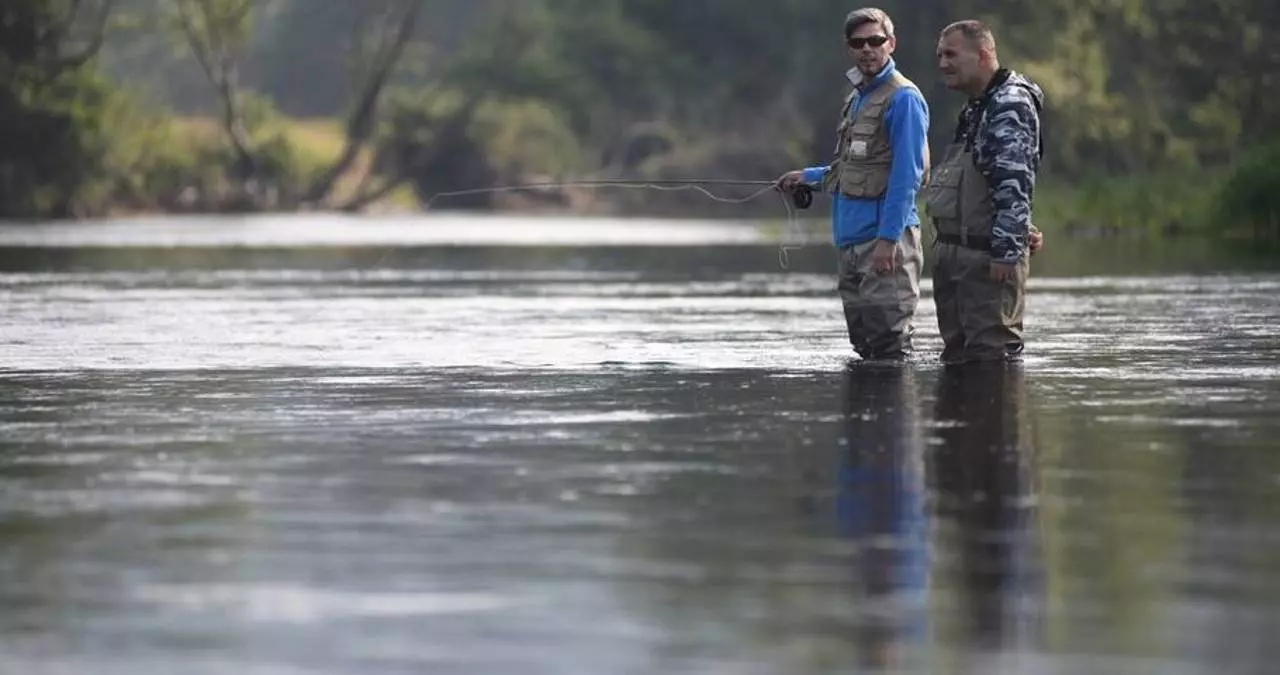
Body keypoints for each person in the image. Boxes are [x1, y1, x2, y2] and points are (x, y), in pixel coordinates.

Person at [776, 8, 930, 362]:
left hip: (883, 242)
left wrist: (888, 240)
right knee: (866, 347)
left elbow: (908, 176)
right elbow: (851, 166)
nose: (867, 49)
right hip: (851, 244)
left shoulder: (903, 98)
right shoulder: (857, 98)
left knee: (889, 349)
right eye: (858, 43)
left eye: (875, 41)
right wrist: (810, 177)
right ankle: (867, 420)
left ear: (891, 44)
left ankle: (894, 418)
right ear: (849, 48)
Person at [924, 20, 1046, 364]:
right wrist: (1024, 227)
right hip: (958, 256)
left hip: (987, 260)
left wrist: (1008, 247)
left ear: (983, 55)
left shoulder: (1009, 103)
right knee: (959, 362)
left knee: (991, 362)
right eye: (939, 55)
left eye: (951, 54)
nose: (943, 63)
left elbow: (1014, 180)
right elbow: (989, 178)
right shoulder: (975, 105)